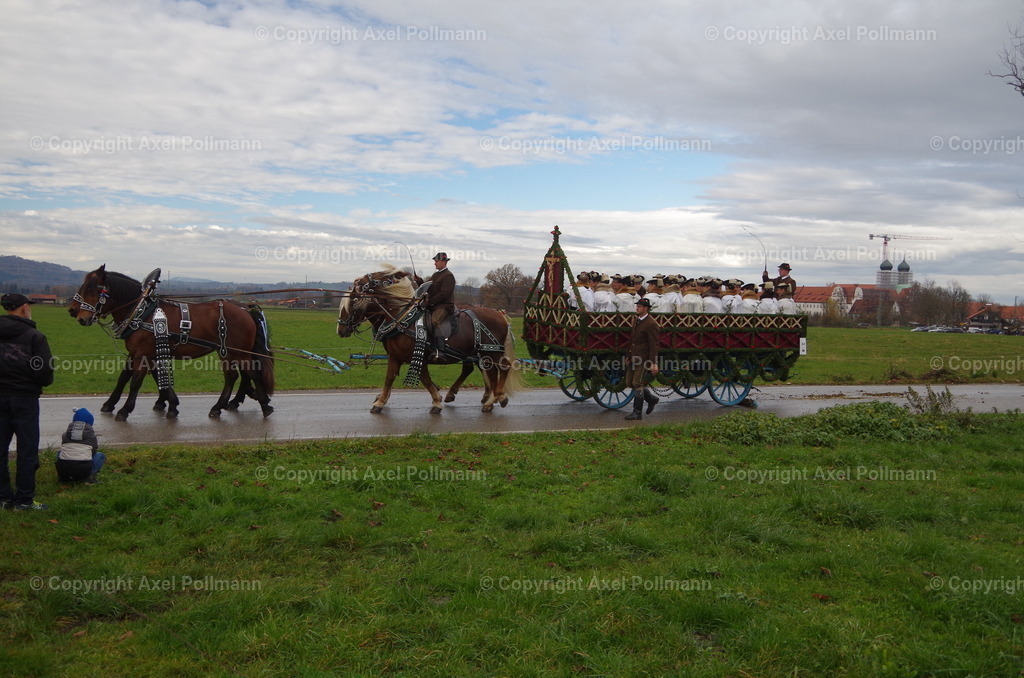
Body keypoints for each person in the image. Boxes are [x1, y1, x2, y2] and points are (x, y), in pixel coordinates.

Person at [0, 293, 54, 510]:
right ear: (24, 308)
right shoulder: (35, 337)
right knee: (27, 450)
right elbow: (44, 373)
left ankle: (3, 498)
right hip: (25, 399)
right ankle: (24, 500)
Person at [624, 298, 660, 421]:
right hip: (634, 357)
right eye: (637, 306)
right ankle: (652, 399)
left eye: (640, 306)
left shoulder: (651, 324)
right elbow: (632, 340)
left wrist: (653, 363)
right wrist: (628, 356)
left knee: (637, 383)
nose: (637, 308)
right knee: (629, 382)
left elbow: (654, 345)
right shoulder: (637, 320)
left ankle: (637, 413)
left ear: (646, 308)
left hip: (643, 358)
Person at [56, 408, 105, 484]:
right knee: (100, 455)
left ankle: (62, 478)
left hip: (64, 471)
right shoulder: (92, 437)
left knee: (60, 452)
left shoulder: (65, 435)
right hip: (83, 471)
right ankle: (90, 478)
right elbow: (93, 452)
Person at [425, 253, 456, 358]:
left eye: (436, 261)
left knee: (435, 321)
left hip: (444, 306)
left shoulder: (448, 276)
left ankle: (441, 350)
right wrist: (419, 280)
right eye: (435, 261)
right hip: (434, 305)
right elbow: (428, 287)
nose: (435, 263)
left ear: (443, 262)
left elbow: (444, 294)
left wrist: (430, 302)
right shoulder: (435, 275)